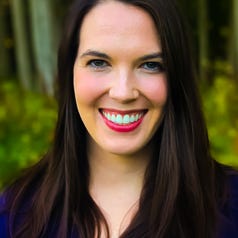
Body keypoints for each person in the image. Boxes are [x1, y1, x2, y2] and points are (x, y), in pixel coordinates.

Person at [0, 0, 238, 237]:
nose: (123, 92)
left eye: (150, 65)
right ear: (69, 72)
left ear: (177, 77)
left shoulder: (231, 208)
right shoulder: (14, 216)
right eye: (98, 63)